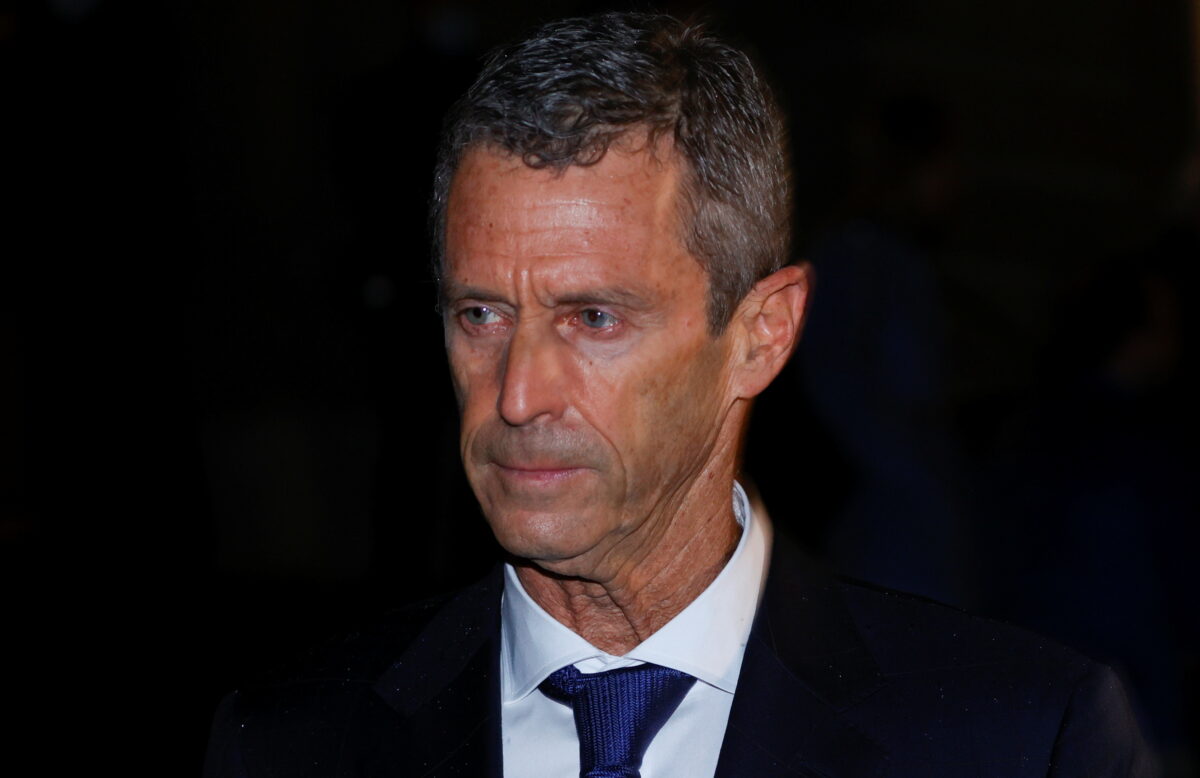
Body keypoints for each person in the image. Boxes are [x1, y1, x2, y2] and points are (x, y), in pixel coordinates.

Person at [203, 12, 1153, 777]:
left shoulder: (1021, 740)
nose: (518, 395)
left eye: (594, 318)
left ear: (761, 335)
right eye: (481, 314)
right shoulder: (287, 744)